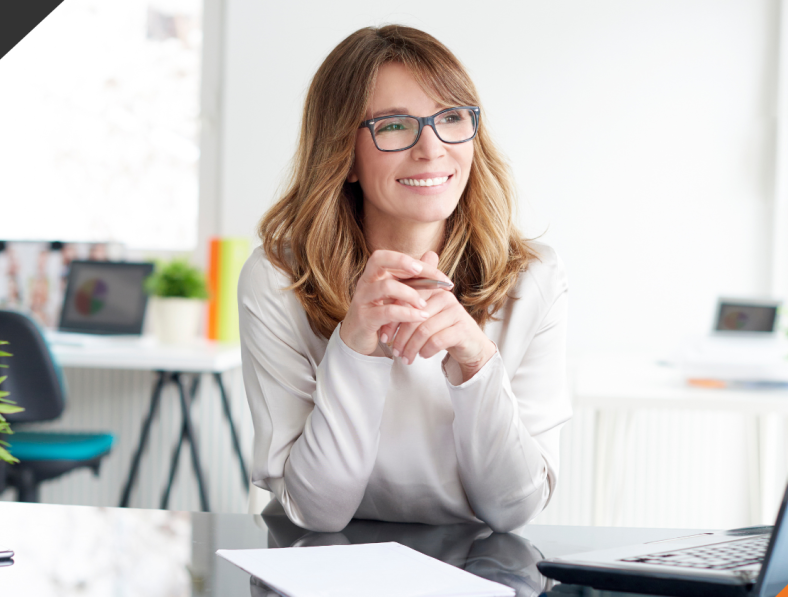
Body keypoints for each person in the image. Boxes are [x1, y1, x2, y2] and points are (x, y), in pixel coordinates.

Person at [238, 25, 570, 533]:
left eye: (452, 118)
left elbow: (514, 509)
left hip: (476, 569)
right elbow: (317, 512)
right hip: (316, 567)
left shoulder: (533, 278)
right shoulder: (276, 280)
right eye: (394, 125)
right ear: (344, 155)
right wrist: (352, 350)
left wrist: (476, 360)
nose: (432, 149)